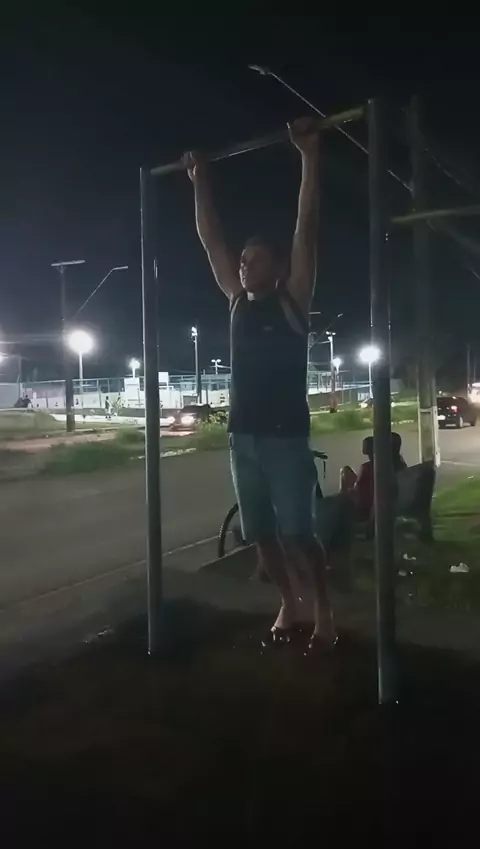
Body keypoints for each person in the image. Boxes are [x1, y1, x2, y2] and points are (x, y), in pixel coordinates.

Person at [184, 118, 336, 652]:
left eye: (255, 259)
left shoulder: (293, 301)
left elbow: (306, 226)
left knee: (298, 534)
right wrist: (200, 181)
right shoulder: (235, 302)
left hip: (285, 440)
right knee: (259, 534)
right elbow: (211, 240)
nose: (245, 266)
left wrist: (309, 157)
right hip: (242, 438)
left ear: (277, 267)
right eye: (244, 260)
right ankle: (289, 603)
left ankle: (323, 612)